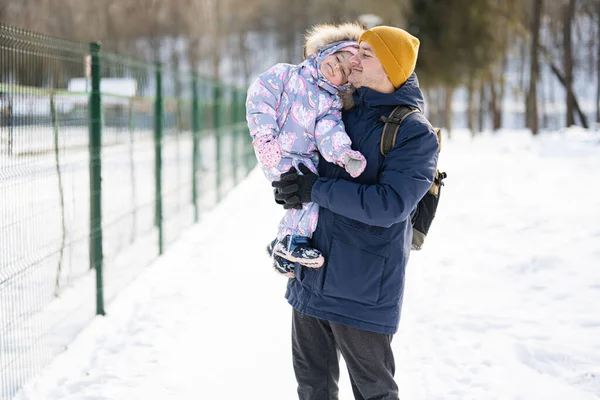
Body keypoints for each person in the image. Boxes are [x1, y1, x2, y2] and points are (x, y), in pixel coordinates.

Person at [272, 25, 439, 400]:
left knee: (373, 392)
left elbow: (389, 205)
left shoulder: (414, 133)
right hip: (312, 278)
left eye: (366, 55)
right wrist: (292, 207)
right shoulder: (337, 111)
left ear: (391, 68)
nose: (353, 60)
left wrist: (315, 188)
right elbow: (311, 184)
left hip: (362, 288)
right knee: (312, 387)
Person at [246, 22, 367, 277]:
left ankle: (282, 245)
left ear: (345, 85)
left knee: (309, 192)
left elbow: (329, 132)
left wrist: (344, 155)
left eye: (343, 72)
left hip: (303, 157)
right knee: (303, 196)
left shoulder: (330, 103)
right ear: (327, 51)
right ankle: (292, 242)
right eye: (337, 59)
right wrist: (264, 136)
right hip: (275, 148)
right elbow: (260, 98)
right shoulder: (285, 74)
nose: (336, 67)